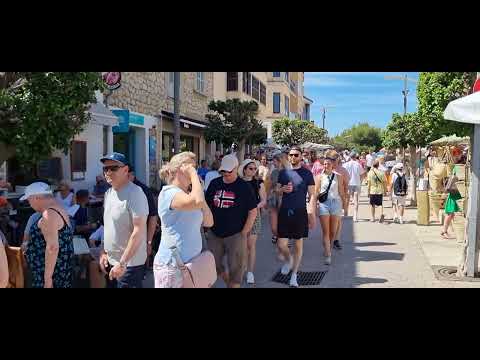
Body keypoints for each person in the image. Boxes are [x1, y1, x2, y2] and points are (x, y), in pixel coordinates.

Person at [154, 152, 214, 288]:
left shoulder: (189, 196)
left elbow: (209, 222)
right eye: (191, 168)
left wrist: (199, 193)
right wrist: (194, 176)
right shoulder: (168, 193)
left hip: (191, 265)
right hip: (172, 266)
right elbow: (197, 201)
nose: (194, 171)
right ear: (179, 169)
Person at [205, 154, 258, 288]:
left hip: (236, 234)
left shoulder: (244, 187)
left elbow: (253, 211)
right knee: (213, 265)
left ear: (236, 169)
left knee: (236, 271)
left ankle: (233, 284)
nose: (226, 174)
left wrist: (244, 233)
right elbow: (206, 206)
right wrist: (206, 227)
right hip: (215, 234)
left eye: (229, 171)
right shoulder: (215, 183)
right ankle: (229, 282)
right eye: (224, 171)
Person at [99, 153, 149, 288]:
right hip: (111, 262)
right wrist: (104, 252)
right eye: (105, 169)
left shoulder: (135, 193)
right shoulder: (108, 193)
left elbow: (138, 230)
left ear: (126, 170)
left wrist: (122, 263)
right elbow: (108, 226)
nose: (108, 172)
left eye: (113, 168)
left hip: (129, 265)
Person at [276, 146, 316, 287]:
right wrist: (282, 190)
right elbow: (276, 190)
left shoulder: (307, 173)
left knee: (298, 244)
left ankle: (294, 275)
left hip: (300, 212)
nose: (293, 157)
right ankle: (289, 260)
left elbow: (312, 195)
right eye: (291, 155)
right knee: (281, 244)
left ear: (301, 156)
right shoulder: (283, 173)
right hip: (285, 211)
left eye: (296, 155)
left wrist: (312, 213)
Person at [21, 182, 74, 288]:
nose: (29, 204)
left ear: (36, 198)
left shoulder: (49, 214)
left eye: (29, 200)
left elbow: (52, 248)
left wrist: (47, 280)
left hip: (50, 274)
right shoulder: (60, 209)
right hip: (59, 270)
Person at [238, 159, 267, 285]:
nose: (253, 171)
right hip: (240, 217)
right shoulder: (237, 182)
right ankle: (241, 268)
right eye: (250, 168)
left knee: (251, 245)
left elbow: (264, 200)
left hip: (254, 216)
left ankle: (250, 272)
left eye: (255, 169)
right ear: (244, 169)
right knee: (242, 246)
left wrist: (255, 207)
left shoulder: (258, 183)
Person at [315, 151, 345, 265]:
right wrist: (314, 206)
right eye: (324, 164)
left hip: (336, 203)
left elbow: (341, 192)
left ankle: (329, 247)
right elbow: (316, 192)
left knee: (333, 232)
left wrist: (345, 206)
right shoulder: (319, 177)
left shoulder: (338, 177)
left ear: (332, 165)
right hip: (324, 204)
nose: (326, 165)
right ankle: (328, 254)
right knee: (326, 232)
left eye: (328, 164)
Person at [128, 167, 159, 268]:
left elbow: (152, 216)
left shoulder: (143, 190)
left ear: (132, 175)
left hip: (140, 235)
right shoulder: (120, 189)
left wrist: (148, 242)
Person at [343, 152, 365, 222]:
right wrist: (360, 182)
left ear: (349, 157)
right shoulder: (358, 164)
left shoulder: (345, 164)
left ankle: (346, 214)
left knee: (347, 199)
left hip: (348, 183)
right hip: (356, 183)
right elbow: (362, 175)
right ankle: (355, 216)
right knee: (356, 200)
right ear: (355, 157)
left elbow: (342, 174)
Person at [441, 166, 462, 239]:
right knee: (450, 214)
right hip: (455, 194)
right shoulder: (457, 167)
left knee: (452, 214)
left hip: (457, 194)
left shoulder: (457, 167)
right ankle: (444, 231)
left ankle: (447, 231)